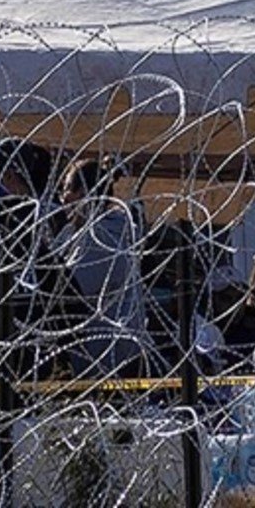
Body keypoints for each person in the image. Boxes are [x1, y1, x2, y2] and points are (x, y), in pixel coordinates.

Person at [52, 157, 148, 378]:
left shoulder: (101, 238)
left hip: (106, 364)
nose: (63, 199)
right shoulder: (82, 234)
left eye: (66, 190)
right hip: (106, 359)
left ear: (84, 193)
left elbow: (68, 293)